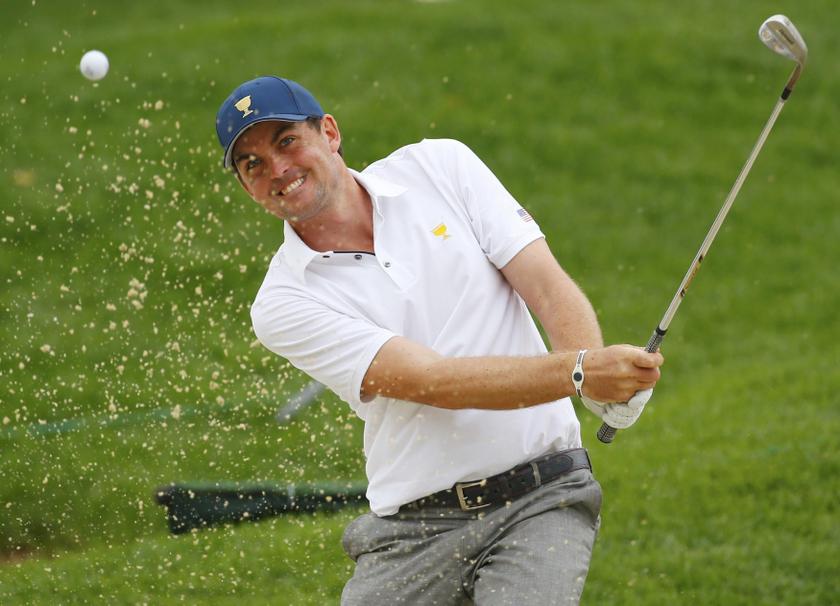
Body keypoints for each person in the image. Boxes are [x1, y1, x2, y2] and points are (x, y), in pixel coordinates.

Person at [215, 76, 664, 605]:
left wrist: (594, 379)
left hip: (544, 494)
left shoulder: (440, 166)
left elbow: (543, 283)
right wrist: (581, 372)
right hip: (410, 531)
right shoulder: (282, 302)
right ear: (247, 188)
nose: (278, 170)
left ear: (330, 133)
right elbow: (434, 382)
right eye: (253, 165)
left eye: (286, 141)